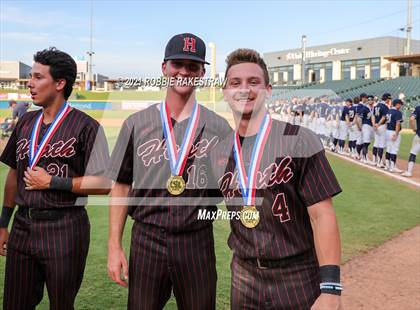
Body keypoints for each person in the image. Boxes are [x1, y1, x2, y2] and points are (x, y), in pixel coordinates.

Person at [106, 33, 231, 310]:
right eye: (178, 64)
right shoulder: (136, 123)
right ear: (164, 68)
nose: (184, 72)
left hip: (196, 240)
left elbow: (232, 187)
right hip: (147, 239)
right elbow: (121, 186)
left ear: (201, 73)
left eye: (193, 66)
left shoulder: (219, 128)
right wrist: (114, 245)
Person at [211, 48, 343, 309]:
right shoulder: (218, 150)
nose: (244, 89)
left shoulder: (299, 139)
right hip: (244, 275)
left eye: (254, 82)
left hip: (296, 274)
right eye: (235, 83)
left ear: (268, 90)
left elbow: (322, 214)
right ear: (225, 93)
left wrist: (330, 288)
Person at [0, 48, 110, 310]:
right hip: (23, 226)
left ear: (60, 83)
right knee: (14, 304)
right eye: (31, 77)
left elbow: (104, 183)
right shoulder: (26, 122)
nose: (30, 83)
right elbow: (14, 173)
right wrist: (4, 222)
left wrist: (54, 182)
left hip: (65, 227)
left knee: (61, 304)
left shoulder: (87, 126)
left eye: (38, 77)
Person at [385, 99, 404, 172]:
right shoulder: (398, 112)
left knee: (389, 148)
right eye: (400, 104)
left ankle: (387, 165)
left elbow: (386, 122)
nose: (400, 106)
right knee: (394, 150)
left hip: (387, 131)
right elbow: (398, 124)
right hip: (393, 131)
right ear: (397, 104)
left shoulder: (389, 111)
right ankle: (392, 167)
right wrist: (396, 134)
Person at [372, 93, 391, 167]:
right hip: (381, 126)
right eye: (389, 99)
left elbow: (373, 115)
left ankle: (374, 160)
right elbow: (383, 117)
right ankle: (379, 162)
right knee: (381, 144)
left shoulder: (376, 105)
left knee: (376, 143)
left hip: (376, 126)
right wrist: (378, 124)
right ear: (386, 99)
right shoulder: (385, 106)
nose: (389, 100)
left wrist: (374, 124)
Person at [402, 104, 420, 177]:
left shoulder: (418, 108)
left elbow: (412, 119)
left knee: (413, 152)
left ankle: (409, 172)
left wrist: (413, 129)